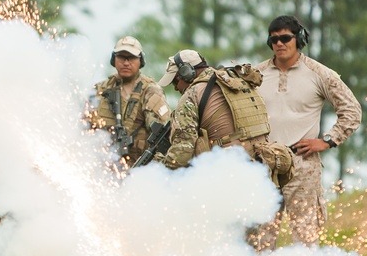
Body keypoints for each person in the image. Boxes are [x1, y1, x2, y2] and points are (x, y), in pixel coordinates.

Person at [252, 16, 361, 250]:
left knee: (305, 238)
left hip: (302, 163)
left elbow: (352, 111)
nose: (279, 44)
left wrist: (327, 141)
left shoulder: (319, 73)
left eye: (285, 38)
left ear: (298, 39)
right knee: (261, 239)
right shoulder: (254, 75)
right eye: (274, 39)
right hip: (263, 164)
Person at [156, 50, 292, 186]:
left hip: (227, 175)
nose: (176, 88)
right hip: (263, 169)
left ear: (186, 73)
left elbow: (183, 152)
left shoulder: (192, 94)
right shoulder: (238, 80)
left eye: (175, 82)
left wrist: (161, 168)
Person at [89, 36, 170, 166]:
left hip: (137, 168)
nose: (126, 63)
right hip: (101, 166)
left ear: (140, 61)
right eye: (121, 57)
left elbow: (161, 135)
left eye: (131, 58)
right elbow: (83, 128)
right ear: (113, 59)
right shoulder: (100, 89)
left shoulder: (150, 91)